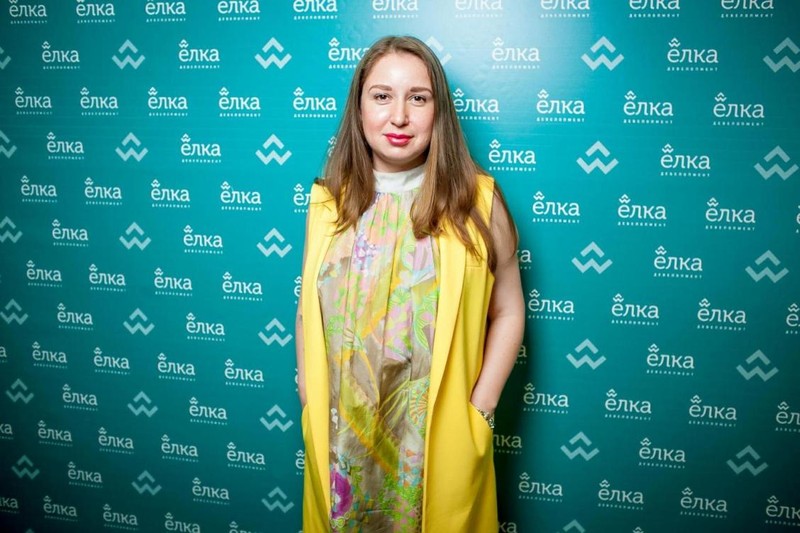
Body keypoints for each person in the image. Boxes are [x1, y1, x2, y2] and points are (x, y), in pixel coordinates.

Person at [295, 35, 525, 533]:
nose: (399, 116)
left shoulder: (478, 203)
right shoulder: (326, 205)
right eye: (382, 96)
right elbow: (308, 309)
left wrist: (481, 407)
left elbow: (508, 308)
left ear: (438, 112)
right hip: (342, 439)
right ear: (359, 108)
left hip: (438, 438)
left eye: (418, 98)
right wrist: (309, 395)